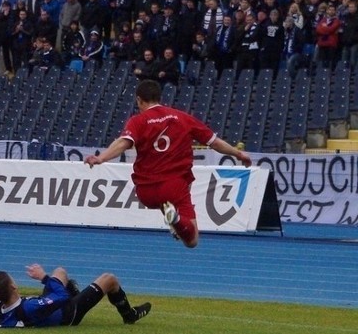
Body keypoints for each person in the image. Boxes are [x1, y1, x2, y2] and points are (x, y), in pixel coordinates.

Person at [84, 79, 252, 248]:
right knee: (192, 240)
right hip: (173, 186)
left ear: (139, 100)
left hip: (145, 191)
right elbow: (214, 142)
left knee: (170, 204)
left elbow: (123, 142)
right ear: (159, 97)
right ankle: (178, 221)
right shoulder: (182, 117)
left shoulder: (138, 121)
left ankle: (175, 220)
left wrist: (101, 158)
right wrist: (238, 153)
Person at [0, 263, 152, 327]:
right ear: (13, 288)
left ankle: (70, 286)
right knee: (109, 279)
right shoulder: (31, 308)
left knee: (61, 272)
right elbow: (61, 298)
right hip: (67, 312)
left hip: (50, 304)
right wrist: (43, 278)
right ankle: (129, 315)